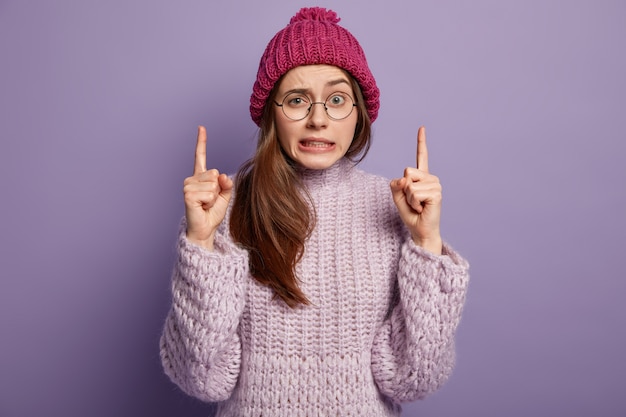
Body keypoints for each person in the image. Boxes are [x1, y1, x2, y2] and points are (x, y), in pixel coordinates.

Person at [160, 6, 469, 416]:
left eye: (337, 99)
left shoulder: (396, 206)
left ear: (358, 113)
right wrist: (201, 244)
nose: (318, 119)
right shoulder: (222, 205)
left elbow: (413, 379)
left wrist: (427, 243)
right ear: (272, 112)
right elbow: (201, 378)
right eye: (297, 100)